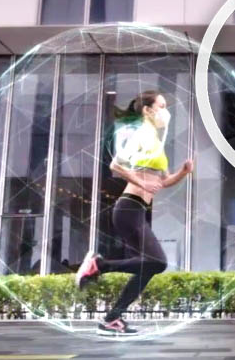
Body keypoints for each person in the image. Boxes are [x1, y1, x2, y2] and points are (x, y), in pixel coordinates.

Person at [75, 90, 193, 336]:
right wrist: (142, 184)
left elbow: (162, 181)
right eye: (162, 105)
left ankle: (112, 319)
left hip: (138, 209)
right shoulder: (141, 134)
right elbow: (115, 165)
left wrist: (183, 172)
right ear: (148, 110)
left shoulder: (155, 141)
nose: (166, 111)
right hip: (129, 207)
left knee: (148, 267)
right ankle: (99, 264)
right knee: (158, 262)